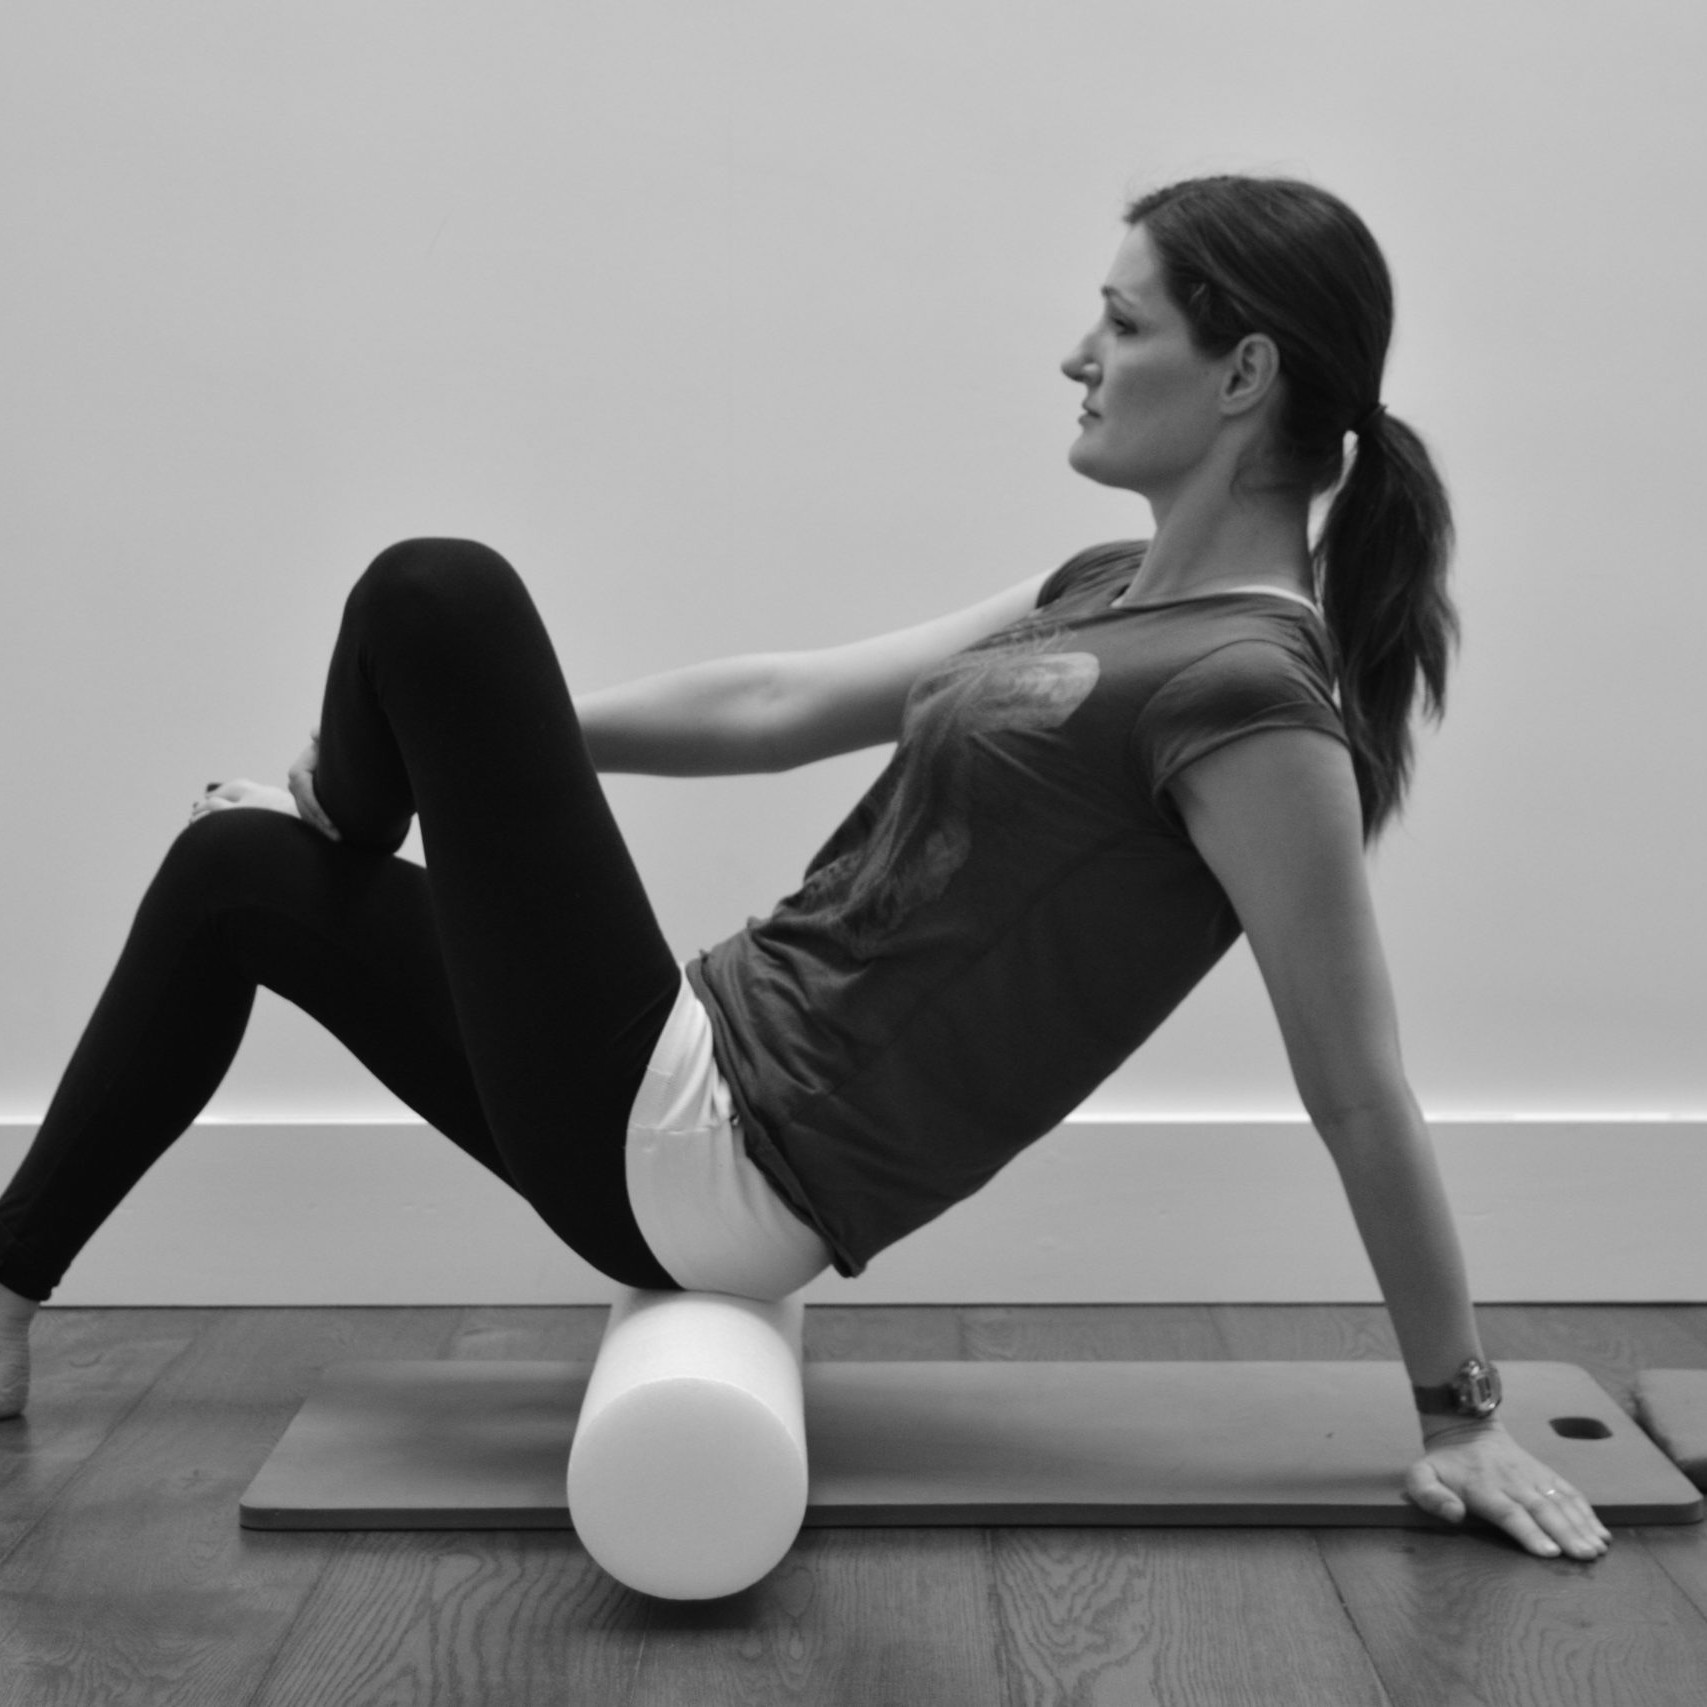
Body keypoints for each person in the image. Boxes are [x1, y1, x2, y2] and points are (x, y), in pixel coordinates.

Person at [0, 174, 1611, 1563]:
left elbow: (1359, 1088)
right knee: (235, 875)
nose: (1077, 355)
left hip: (728, 1164)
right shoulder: (1107, 586)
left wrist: (1457, 1410)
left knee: (436, 594)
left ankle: (346, 811)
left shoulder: (1255, 700)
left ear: (1244, 368)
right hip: (678, 1065)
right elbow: (782, 707)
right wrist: (478, 753)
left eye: (1122, 326)